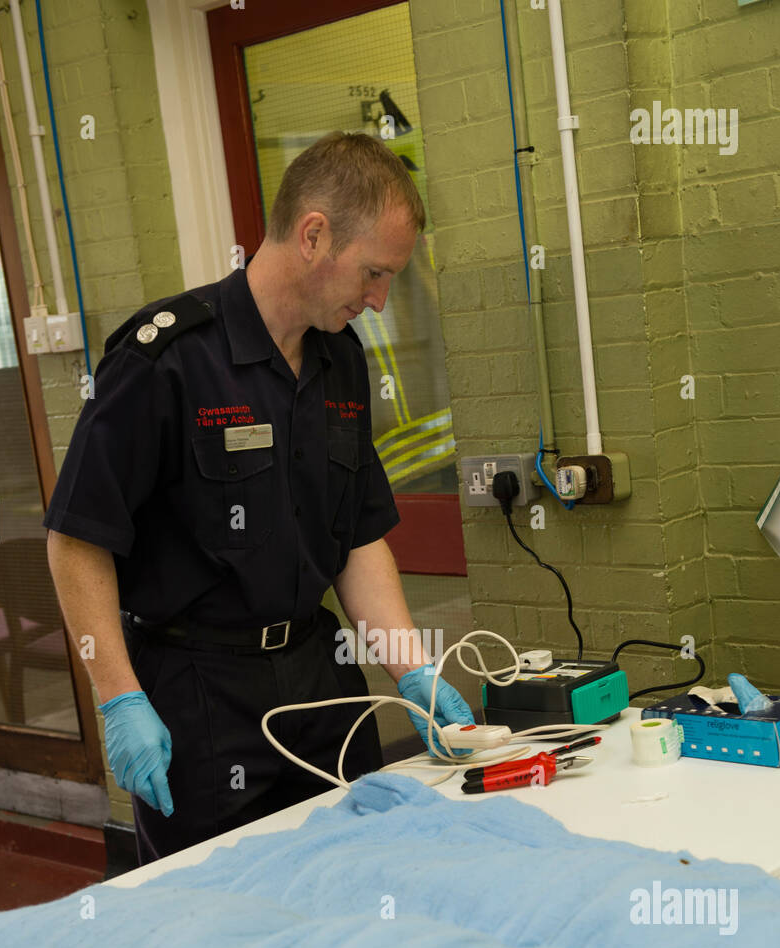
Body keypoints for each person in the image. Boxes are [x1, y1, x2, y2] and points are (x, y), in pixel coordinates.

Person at [45, 131, 474, 864]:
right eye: (374, 273)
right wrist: (118, 696)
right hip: (199, 693)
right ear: (313, 235)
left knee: (366, 873)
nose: (378, 300)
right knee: (219, 911)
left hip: (317, 672)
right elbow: (77, 538)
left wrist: (411, 670)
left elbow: (358, 535)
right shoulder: (167, 359)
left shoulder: (339, 359)